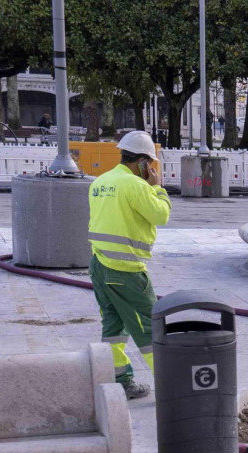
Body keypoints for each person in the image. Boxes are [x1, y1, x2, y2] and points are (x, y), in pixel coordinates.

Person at [87, 130, 170, 399]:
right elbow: (161, 215)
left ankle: (120, 379)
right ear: (143, 161)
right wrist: (157, 187)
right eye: (150, 163)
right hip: (126, 271)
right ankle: (171, 388)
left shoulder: (101, 181)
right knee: (150, 328)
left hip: (99, 266)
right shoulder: (135, 185)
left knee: (113, 326)